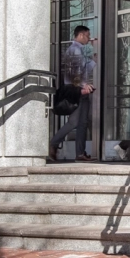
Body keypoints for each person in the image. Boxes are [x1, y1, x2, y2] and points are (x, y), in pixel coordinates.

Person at [49, 25, 95, 161]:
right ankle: (54, 143)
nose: (89, 38)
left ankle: (80, 153)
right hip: (79, 91)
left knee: (83, 123)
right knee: (75, 122)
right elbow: (72, 73)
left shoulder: (80, 50)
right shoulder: (75, 50)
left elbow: (85, 68)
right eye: (87, 35)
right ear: (80, 35)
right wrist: (82, 87)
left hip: (83, 90)